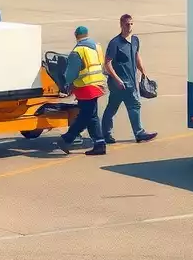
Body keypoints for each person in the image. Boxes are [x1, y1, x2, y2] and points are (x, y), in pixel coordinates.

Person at [102, 14, 157, 144]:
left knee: (129, 106)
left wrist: (143, 72)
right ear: (121, 25)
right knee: (116, 107)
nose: (129, 26)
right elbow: (107, 63)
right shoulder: (115, 43)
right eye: (127, 24)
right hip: (118, 83)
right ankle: (109, 134)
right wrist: (117, 79)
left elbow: (137, 56)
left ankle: (136, 133)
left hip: (131, 82)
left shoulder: (135, 40)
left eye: (131, 24)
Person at [55, 25, 107, 156]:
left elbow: (71, 74)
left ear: (76, 36)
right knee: (92, 115)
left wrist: (65, 83)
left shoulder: (78, 51)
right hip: (98, 84)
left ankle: (67, 138)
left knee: (85, 116)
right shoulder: (97, 47)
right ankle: (100, 143)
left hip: (85, 87)